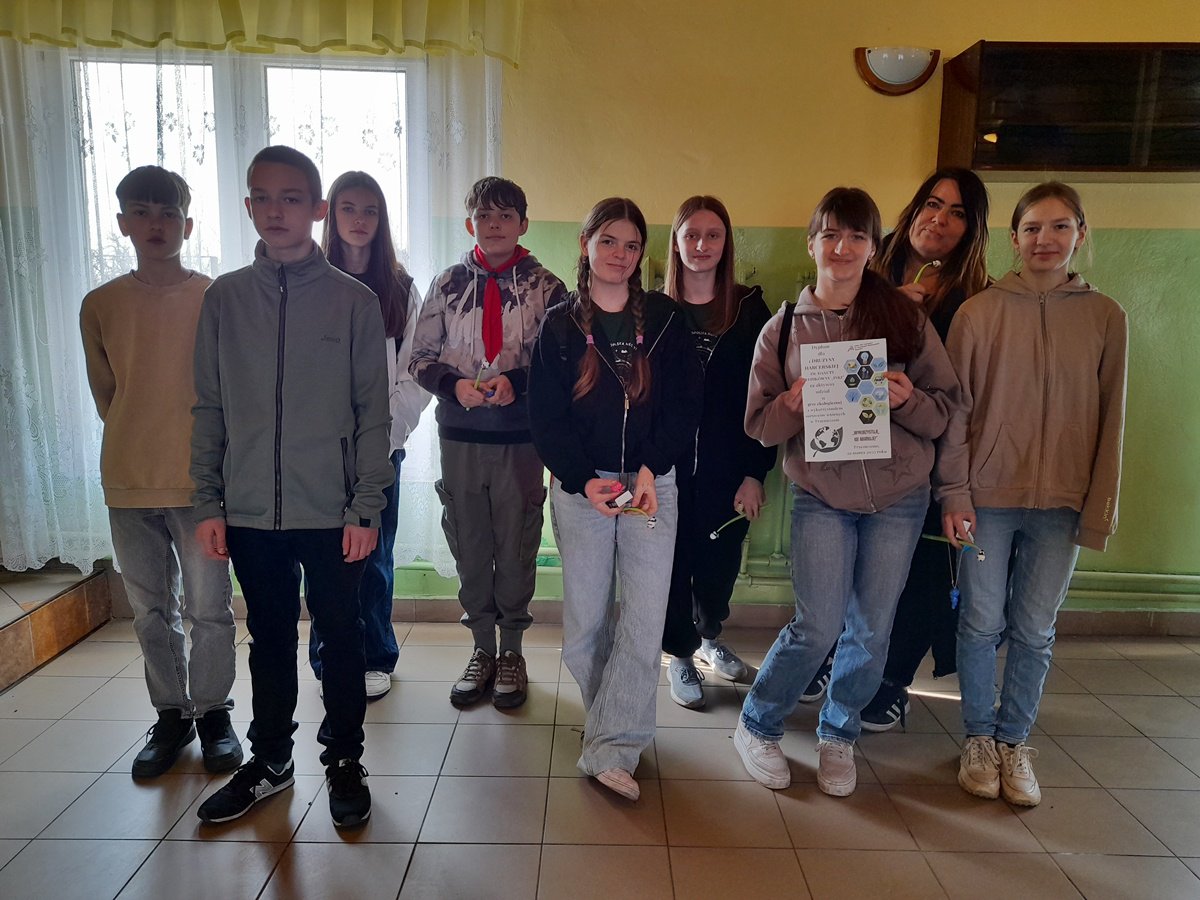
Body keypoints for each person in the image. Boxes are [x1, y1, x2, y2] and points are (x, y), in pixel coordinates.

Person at [191, 145, 393, 828]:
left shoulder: (354, 301)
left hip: (333, 510)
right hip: (250, 510)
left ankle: (343, 759)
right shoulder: (224, 299)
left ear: (317, 209)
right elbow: (209, 407)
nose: (275, 211)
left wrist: (366, 507)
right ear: (248, 205)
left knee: (342, 635)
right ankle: (272, 760)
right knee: (270, 638)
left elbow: (373, 414)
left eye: (291, 198)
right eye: (262, 197)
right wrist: (209, 502)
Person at [734, 187, 958, 797]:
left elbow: (945, 411)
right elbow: (759, 426)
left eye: (857, 236)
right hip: (822, 499)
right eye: (831, 234)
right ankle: (757, 722)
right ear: (812, 244)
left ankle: (839, 733)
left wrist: (908, 401)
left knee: (873, 629)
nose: (842, 247)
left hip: (899, 500)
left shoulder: (904, 321)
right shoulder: (782, 329)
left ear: (873, 248)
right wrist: (792, 403)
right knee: (818, 625)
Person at [939, 182, 1127, 807]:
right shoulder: (979, 313)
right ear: (1013, 238)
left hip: (1063, 502)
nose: (1045, 239)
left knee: (1034, 629)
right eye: (1032, 228)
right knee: (979, 621)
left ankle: (1015, 741)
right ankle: (978, 738)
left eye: (1060, 226)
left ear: (1080, 234)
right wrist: (955, 493)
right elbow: (957, 413)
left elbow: (1112, 417)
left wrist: (1099, 508)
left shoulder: (1105, 317)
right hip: (986, 499)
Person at [529, 198, 702, 801]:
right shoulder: (559, 325)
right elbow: (545, 418)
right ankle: (612, 724)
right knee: (585, 627)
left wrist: (653, 466)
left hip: (652, 485)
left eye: (631, 246)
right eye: (608, 241)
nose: (620, 256)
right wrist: (581, 479)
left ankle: (612, 745)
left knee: (644, 621)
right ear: (585, 244)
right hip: (585, 489)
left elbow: (685, 404)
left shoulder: (666, 320)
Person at [80, 166, 241, 779]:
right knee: (149, 609)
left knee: (209, 609)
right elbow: (108, 394)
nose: (156, 224)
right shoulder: (101, 305)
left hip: (200, 483)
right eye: (142, 212)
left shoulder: (214, 297)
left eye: (168, 213)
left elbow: (229, 391)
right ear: (123, 223)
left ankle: (214, 713)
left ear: (187, 224)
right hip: (128, 477)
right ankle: (171, 715)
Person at [821, 168, 992, 731]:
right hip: (851, 454)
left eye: (958, 213)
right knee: (846, 571)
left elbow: (961, 398)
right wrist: (885, 307)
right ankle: (833, 660)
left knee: (920, 575)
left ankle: (891, 679)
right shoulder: (864, 268)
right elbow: (822, 351)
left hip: (929, 459)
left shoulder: (973, 301)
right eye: (932, 204)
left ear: (972, 229)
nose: (939, 219)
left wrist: (955, 484)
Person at [409, 176, 567, 710]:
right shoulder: (447, 284)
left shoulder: (547, 288)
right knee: (470, 542)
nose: (494, 224)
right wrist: (453, 386)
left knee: (517, 542)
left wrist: (517, 382)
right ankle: (481, 649)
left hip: (522, 440)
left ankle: (513, 651)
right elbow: (419, 358)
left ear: (524, 224)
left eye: (505, 215)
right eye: (484, 215)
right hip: (460, 438)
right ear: (469, 223)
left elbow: (562, 362)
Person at [308, 171, 429, 700]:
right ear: (330, 215)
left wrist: (383, 438)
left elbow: (414, 374)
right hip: (316, 451)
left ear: (382, 220)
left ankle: (376, 655)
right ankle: (329, 658)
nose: (359, 220)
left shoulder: (400, 288)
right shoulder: (309, 282)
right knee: (324, 557)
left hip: (380, 448)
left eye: (370, 210)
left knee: (374, 555)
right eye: (348, 208)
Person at [659, 196, 776, 709]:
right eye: (691, 234)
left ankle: (709, 637)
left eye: (713, 235)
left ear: (726, 243)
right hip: (666, 469)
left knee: (719, 563)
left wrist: (755, 473)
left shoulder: (750, 309)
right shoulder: (655, 310)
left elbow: (767, 395)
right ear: (676, 242)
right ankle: (681, 654)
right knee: (672, 563)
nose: (701, 245)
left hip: (728, 469)